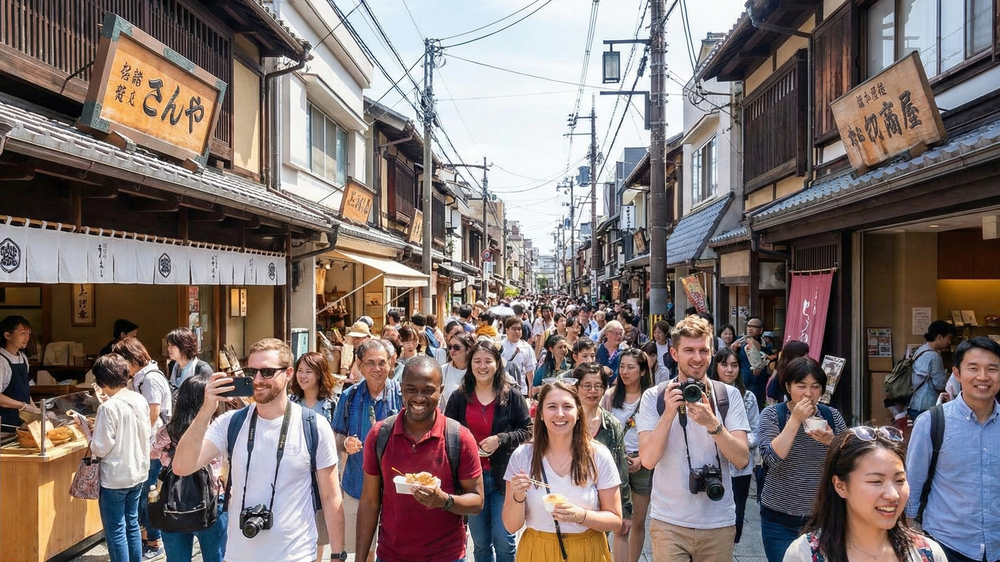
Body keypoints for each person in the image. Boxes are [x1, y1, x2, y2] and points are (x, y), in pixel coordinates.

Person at [172, 338, 347, 562]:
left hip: (296, 555)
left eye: (267, 372)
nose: (257, 380)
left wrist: (337, 555)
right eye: (251, 372)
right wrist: (206, 410)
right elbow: (182, 467)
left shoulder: (313, 425)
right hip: (239, 555)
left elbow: (331, 496)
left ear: (288, 374)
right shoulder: (231, 423)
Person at [636, 315, 750, 562]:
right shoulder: (654, 396)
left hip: (718, 522)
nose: (697, 358)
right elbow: (648, 460)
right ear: (674, 353)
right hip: (669, 522)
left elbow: (742, 459)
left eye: (703, 350)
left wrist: (713, 424)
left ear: (712, 352)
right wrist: (668, 413)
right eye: (689, 350)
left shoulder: (728, 396)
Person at [356, 357, 485, 562]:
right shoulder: (380, 434)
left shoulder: (459, 437)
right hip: (391, 556)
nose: (418, 398)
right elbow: (370, 502)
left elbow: (477, 500)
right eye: (411, 389)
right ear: (401, 389)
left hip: (446, 557)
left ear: (441, 390)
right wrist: (360, 559)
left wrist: (444, 501)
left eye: (428, 390)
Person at [785, 427, 948, 562]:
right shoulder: (805, 555)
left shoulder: (927, 553)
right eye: (876, 481)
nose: (893, 495)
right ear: (840, 486)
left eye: (900, 480)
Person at [502, 381, 623, 562]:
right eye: (552, 406)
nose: (560, 414)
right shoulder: (522, 456)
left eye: (567, 406)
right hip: (537, 551)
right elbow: (511, 526)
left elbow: (615, 520)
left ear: (578, 412)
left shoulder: (598, 455)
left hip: (588, 551)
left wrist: (580, 516)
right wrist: (518, 496)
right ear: (540, 413)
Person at [906, 336, 1000, 562]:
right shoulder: (931, 422)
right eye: (973, 368)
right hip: (946, 544)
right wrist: (907, 533)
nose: (983, 377)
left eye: (992, 369)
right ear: (956, 373)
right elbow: (912, 482)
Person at [445, 342, 532, 562]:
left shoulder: (512, 395)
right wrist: (467, 446)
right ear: (470, 365)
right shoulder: (459, 397)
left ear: (497, 364)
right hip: (472, 480)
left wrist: (501, 439)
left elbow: (527, 429)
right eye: (477, 361)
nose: (482, 366)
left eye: (488, 361)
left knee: (504, 542)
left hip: (504, 477)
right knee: (481, 543)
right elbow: (447, 432)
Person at [757, 357, 847, 562]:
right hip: (778, 518)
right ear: (788, 387)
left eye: (815, 386)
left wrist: (831, 441)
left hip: (823, 519)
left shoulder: (832, 416)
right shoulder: (773, 414)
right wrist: (795, 419)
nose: (809, 393)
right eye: (801, 386)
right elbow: (771, 459)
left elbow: (850, 463)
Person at [331, 339, 402, 560]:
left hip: (395, 490)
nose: (377, 368)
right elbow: (334, 435)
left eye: (382, 362)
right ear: (360, 365)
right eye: (370, 363)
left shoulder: (403, 395)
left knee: (396, 549)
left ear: (391, 363)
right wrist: (345, 443)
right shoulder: (349, 396)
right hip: (357, 487)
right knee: (363, 550)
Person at [151, 373, 228, 562]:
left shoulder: (167, 432)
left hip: (173, 502)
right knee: (215, 557)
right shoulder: (218, 429)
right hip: (212, 500)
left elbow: (152, 453)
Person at [83, 354, 152, 562]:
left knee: (115, 530)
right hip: (138, 472)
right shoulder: (139, 399)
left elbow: (100, 448)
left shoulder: (108, 407)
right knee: (132, 524)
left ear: (102, 380)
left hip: (115, 476)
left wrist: (86, 432)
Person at [112, 336, 172, 559]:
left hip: (152, 444)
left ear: (132, 358)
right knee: (147, 492)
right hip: (149, 443)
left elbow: (152, 413)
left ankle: (154, 542)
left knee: (150, 493)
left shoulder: (150, 378)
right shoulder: (142, 377)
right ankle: (148, 538)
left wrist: (137, 439)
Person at [600, 349, 654, 562]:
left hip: (642, 461)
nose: (624, 371)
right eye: (622, 366)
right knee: (613, 519)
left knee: (637, 522)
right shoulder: (610, 396)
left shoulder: (652, 398)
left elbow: (659, 433)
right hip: (613, 462)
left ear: (643, 371)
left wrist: (642, 459)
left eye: (631, 367)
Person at [572, 363, 631, 551]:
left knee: (596, 548)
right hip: (571, 496)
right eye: (587, 386)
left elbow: (621, 469)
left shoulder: (612, 425)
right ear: (577, 387)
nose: (592, 391)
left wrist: (626, 511)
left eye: (598, 386)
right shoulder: (565, 419)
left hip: (602, 501)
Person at [708, 348, 759, 543]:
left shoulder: (748, 397)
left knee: (737, 513)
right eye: (724, 365)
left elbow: (756, 431)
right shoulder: (705, 394)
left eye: (734, 365)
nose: (729, 370)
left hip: (739, 468)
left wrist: (738, 442)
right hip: (712, 464)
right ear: (716, 367)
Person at [907, 320, 957, 421]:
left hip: (915, 402)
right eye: (949, 338)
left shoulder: (920, 350)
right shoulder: (934, 356)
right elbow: (940, 384)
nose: (949, 342)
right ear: (939, 337)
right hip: (928, 405)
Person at [0, 316, 40, 430]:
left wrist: (36, 410)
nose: (27, 337)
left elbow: (24, 390)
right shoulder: (1, 360)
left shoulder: (23, 357)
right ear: (7, 335)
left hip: (21, 422)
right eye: (22, 333)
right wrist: (24, 406)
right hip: (5, 424)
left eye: (28, 333)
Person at [732, 316, 773, 410]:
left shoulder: (765, 345)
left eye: (754, 327)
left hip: (758, 381)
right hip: (742, 378)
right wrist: (733, 348)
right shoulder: (739, 341)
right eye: (749, 326)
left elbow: (770, 359)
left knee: (757, 406)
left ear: (761, 330)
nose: (750, 328)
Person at [501, 317, 537, 399]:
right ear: (507, 330)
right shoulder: (500, 346)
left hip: (521, 389)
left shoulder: (527, 347)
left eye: (519, 329)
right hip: (502, 387)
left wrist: (530, 388)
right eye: (514, 329)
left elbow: (530, 370)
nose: (517, 332)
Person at [765, 340, 809, 406]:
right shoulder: (781, 375)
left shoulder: (806, 373)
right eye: (804, 354)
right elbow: (771, 396)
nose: (807, 356)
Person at [442, 331, 476, 410]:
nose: (452, 350)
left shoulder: (476, 371)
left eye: (456, 347)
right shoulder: (443, 370)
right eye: (450, 347)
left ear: (468, 348)